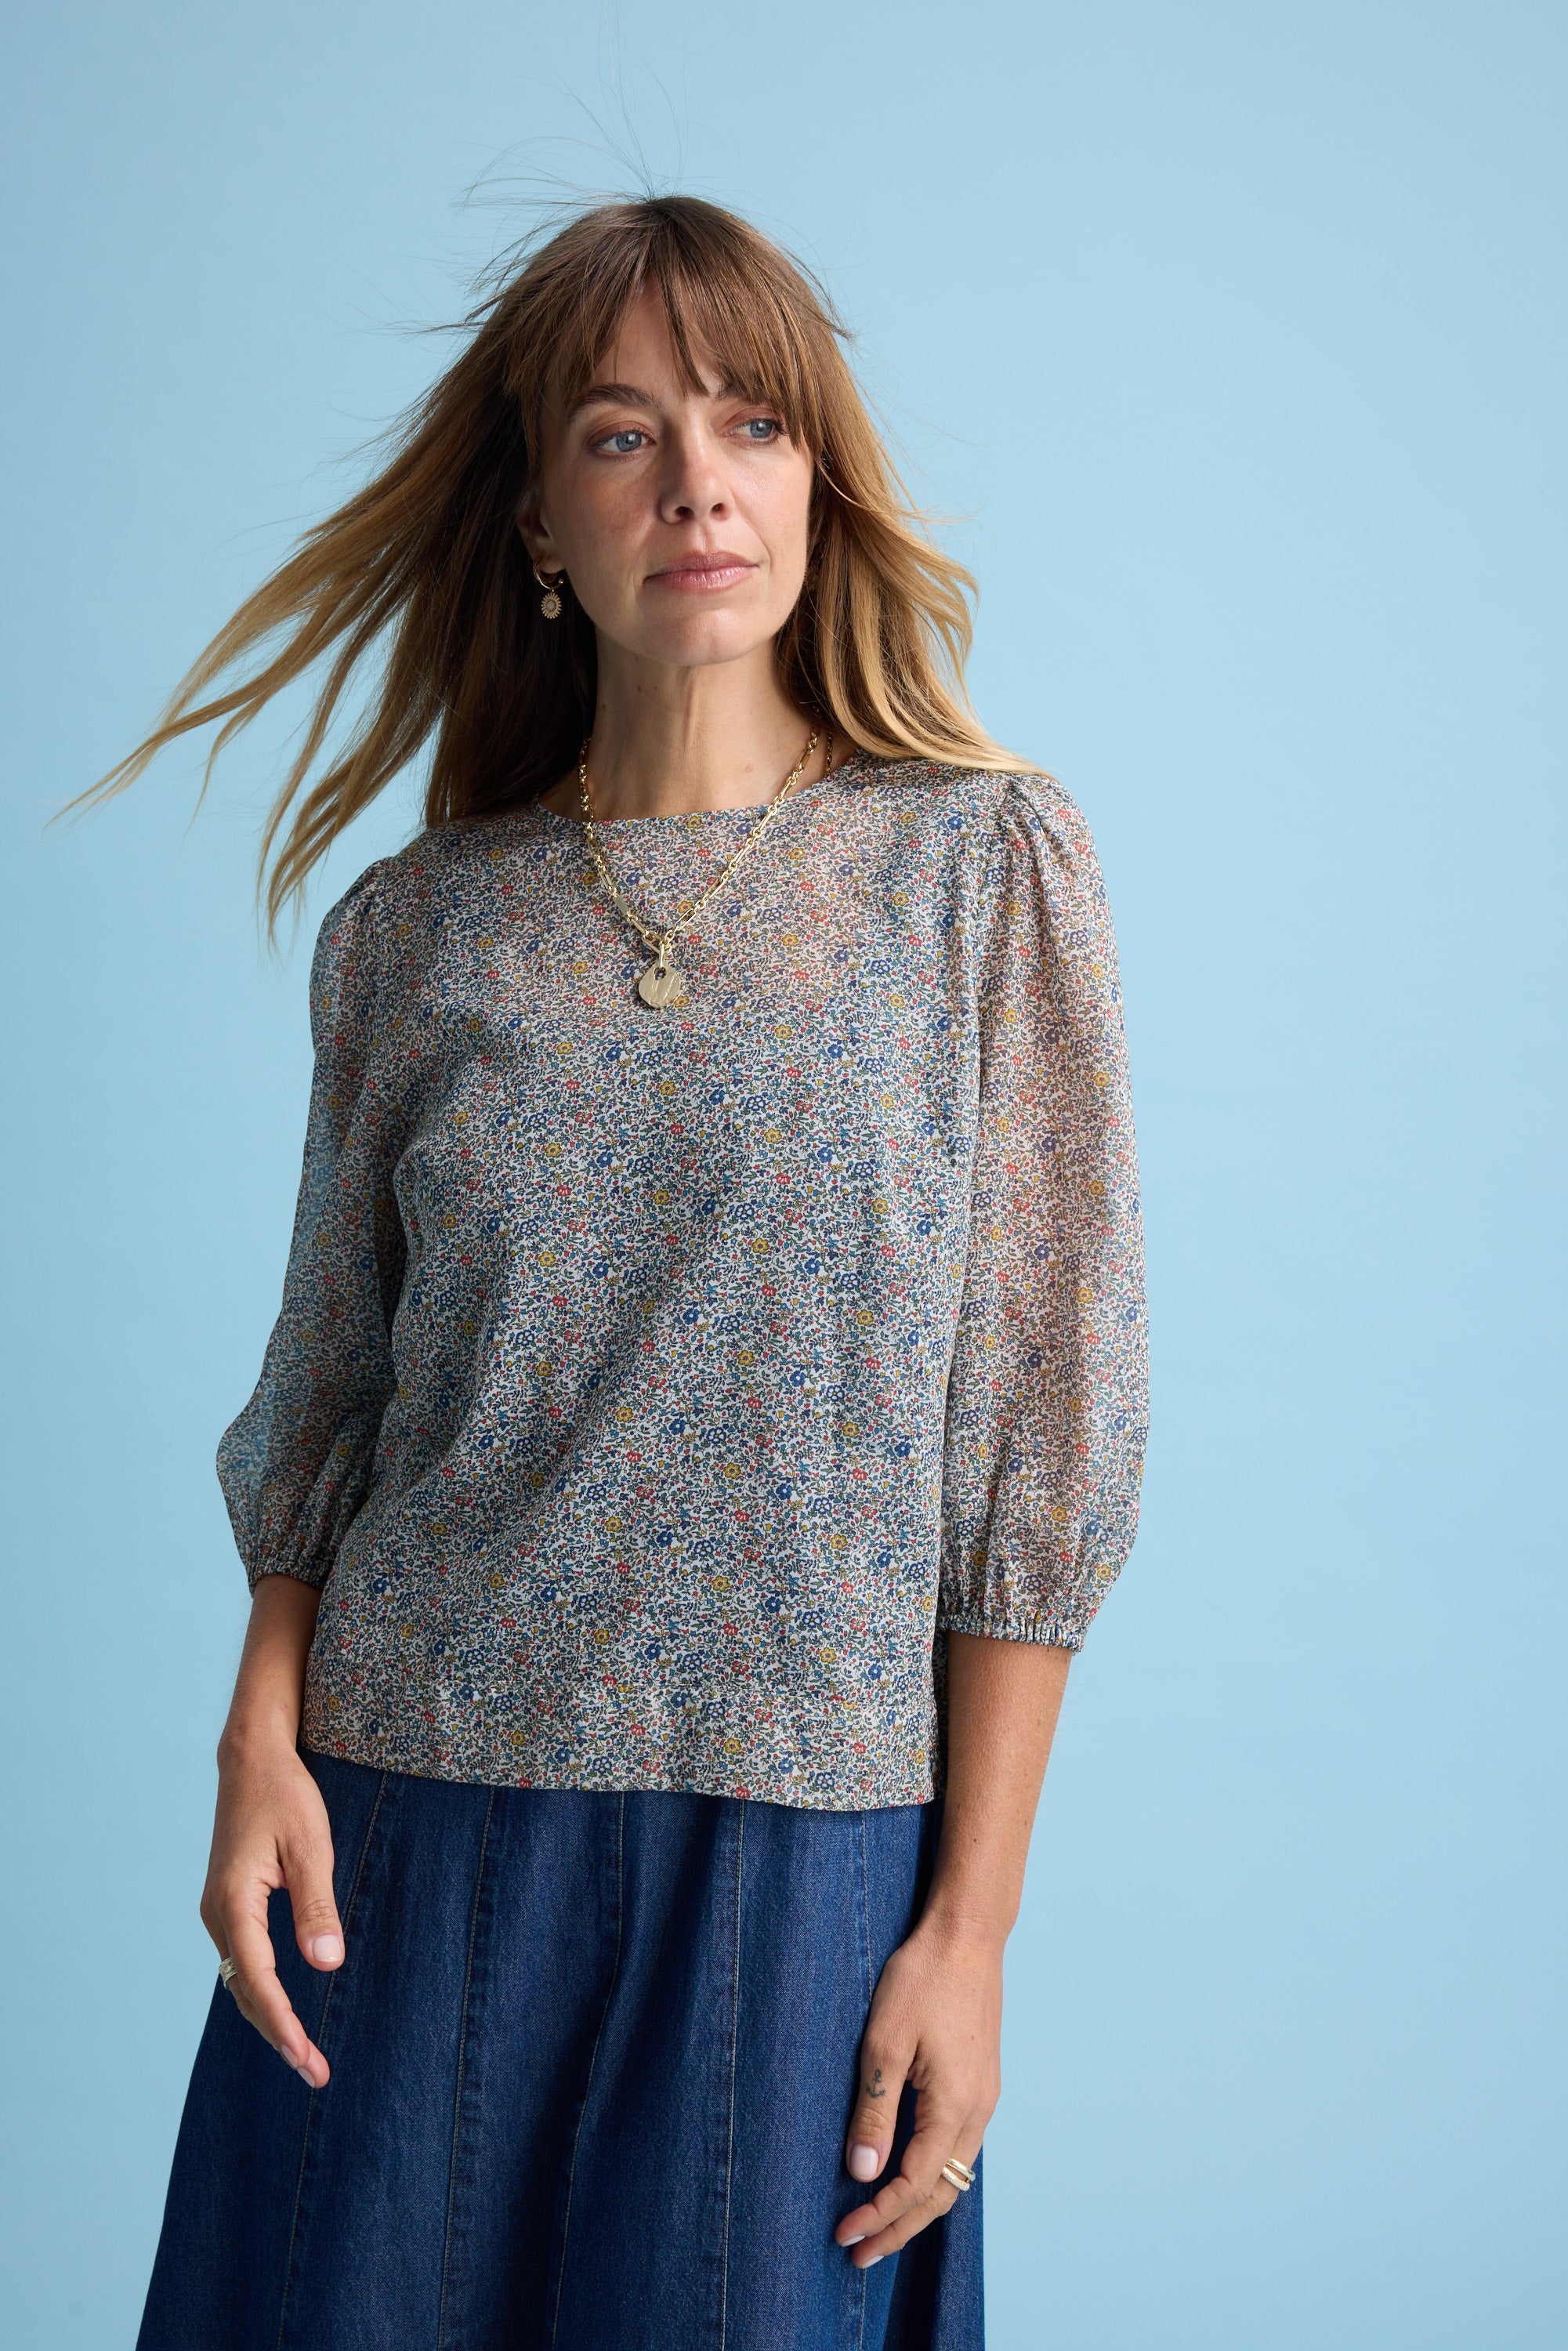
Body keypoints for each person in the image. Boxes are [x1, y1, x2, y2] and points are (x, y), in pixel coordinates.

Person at [90, 194, 1147, 2350]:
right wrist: (256, 1745)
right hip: (403, 1821)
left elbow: (1043, 1430)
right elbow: (327, 1399)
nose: (695, 482)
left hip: (802, 1845)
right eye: (620, 433)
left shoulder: (980, 868)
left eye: (750, 423)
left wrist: (972, 1931)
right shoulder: (416, 931)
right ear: (538, 527)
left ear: (813, 483)